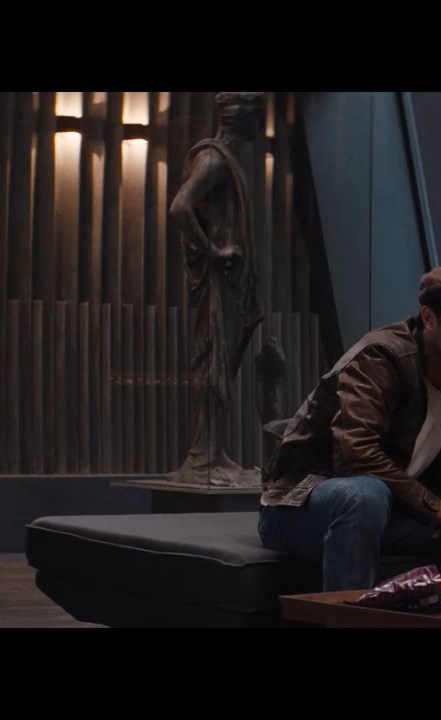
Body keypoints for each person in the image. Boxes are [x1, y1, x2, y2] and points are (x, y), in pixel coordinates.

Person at [258, 263, 441, 591]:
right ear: (428, 318)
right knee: (365, 494)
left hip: (398, 511)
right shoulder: (381, 357)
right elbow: (357, 455)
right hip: (303, 507)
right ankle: (351, 614)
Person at [168, 91, 266, 486]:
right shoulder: (214, 160)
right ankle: (202, 458)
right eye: (257, 113)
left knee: (222, 365)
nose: (261, 121)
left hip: (229, 280)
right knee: (214, 361)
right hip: (218, 279)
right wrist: (214, 250)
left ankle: (213, 451)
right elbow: (180, 206)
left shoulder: (225, 159)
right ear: (242, 115)